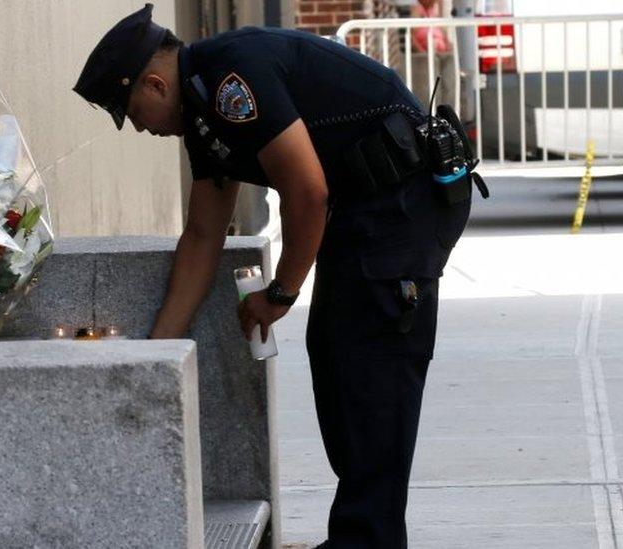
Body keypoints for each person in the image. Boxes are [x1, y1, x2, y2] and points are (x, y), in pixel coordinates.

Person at [74, 4, 480, 548]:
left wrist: (281, 294)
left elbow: (306, 191)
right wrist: (157, 356)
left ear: (152, 82)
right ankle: (362, 534)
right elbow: (201, 236)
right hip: (367, 213)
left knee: (370, 373)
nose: (141, 128)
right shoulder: (203, 108)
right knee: (337, 358)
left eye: (132, 111)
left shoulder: (229, 82)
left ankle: (369, 540)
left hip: (401, 207)